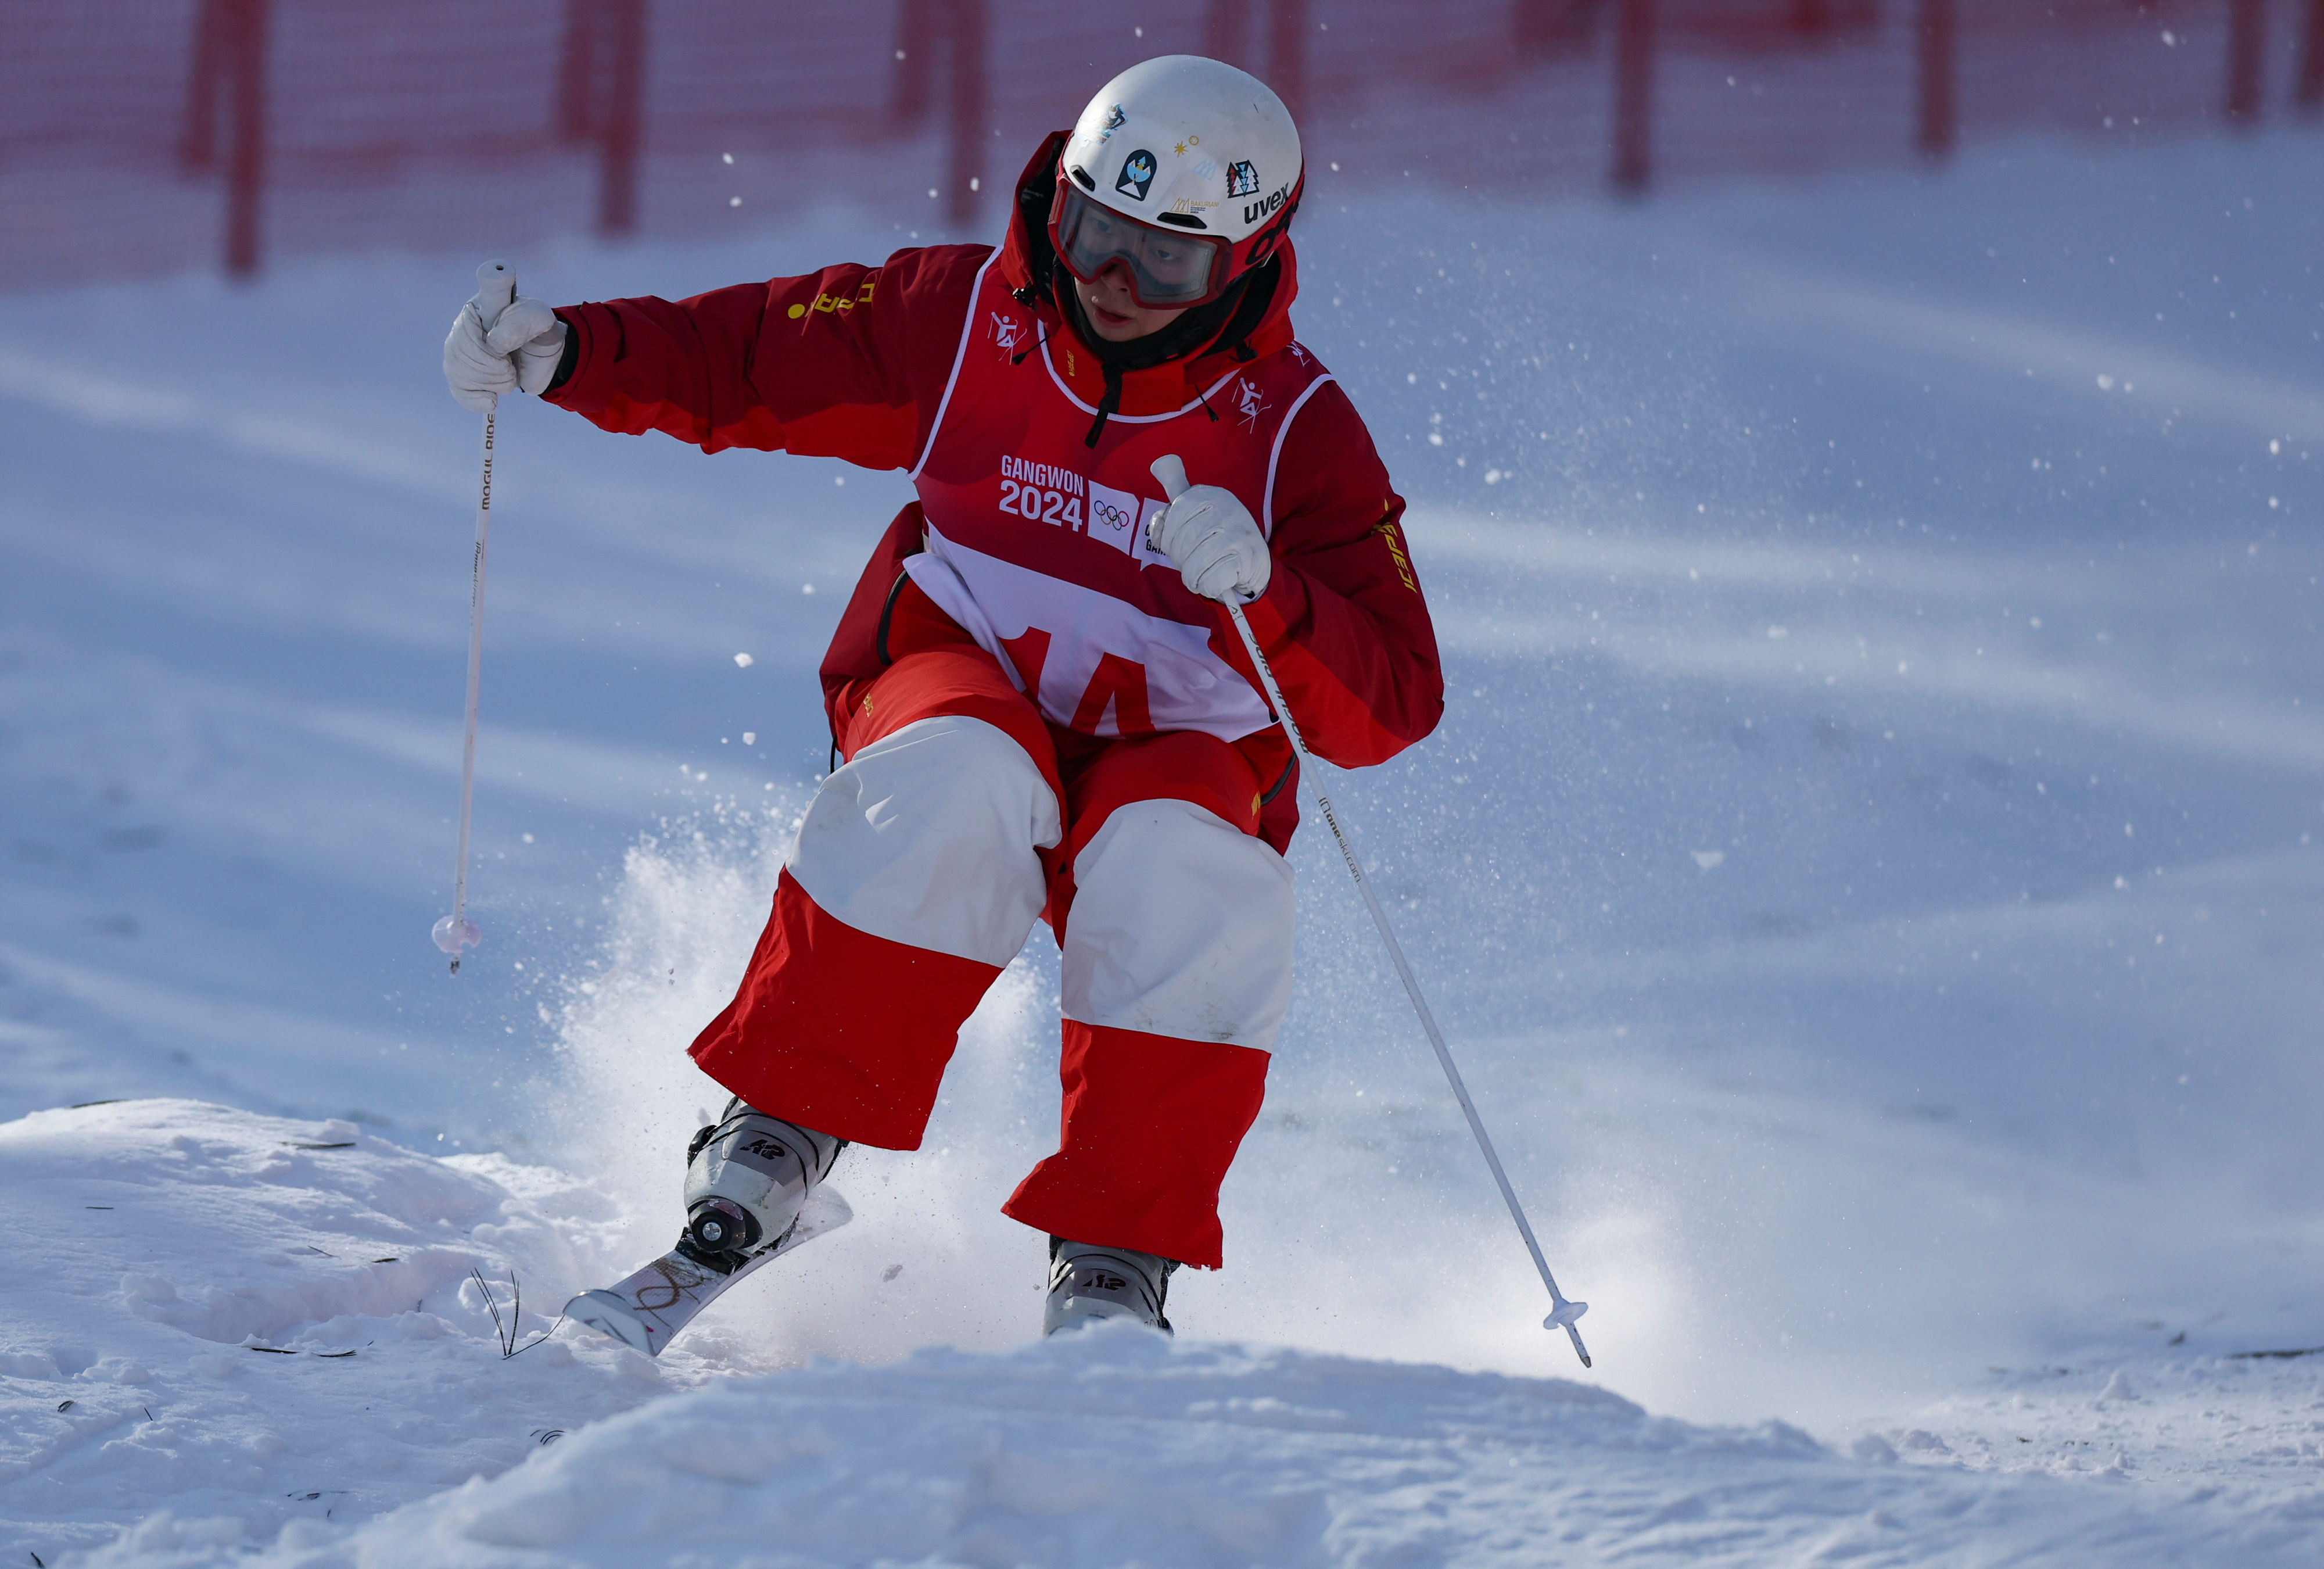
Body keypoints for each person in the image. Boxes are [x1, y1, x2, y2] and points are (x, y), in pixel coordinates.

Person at [443, 55, 1442, 1335]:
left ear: (1246, 260)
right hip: (961, 671)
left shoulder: (1297, 431)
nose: (1111, 286)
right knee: (958, 775)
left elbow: (1393, 702)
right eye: (1092, 236)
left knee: (1190, 864)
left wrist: (1278, 599)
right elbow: (744, 355)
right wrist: (573, 351)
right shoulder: (970, 316)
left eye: (1165, 265)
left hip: (1175, 739)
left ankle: (1116, 1258)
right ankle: (783, 1133)